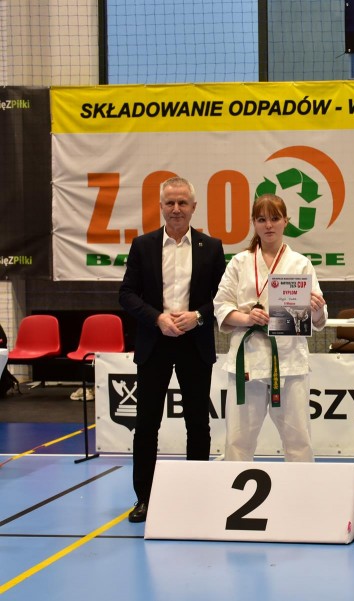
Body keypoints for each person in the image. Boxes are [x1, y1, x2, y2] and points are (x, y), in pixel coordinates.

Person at [119, 176, 226, 523]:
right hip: (155, 344)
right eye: (170, 203)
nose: (176, 209)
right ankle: (144, 499)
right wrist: (157, 318)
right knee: (146, 424)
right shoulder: (142, 245)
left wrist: (198, 317)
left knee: (198, 424)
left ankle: (197, 496)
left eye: (182, 203)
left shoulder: (212, 247)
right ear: (161, 207)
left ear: (194, 207)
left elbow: (223, 298)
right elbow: (127, 294)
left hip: (195, 344)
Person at [213, 194, 327, 462]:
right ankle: (236, 486)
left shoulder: (300, 263)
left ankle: (301, 488)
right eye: (261, 219)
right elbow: (221, 306)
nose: (268, 225)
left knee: (299, 441)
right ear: (253, 223)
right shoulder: (239, 262)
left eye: (275, 218)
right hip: (248, 361)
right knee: (238, 441)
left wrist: (316, 307)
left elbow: (319, 319)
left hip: (289, 361)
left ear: (286, 221)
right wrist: (247, 318)